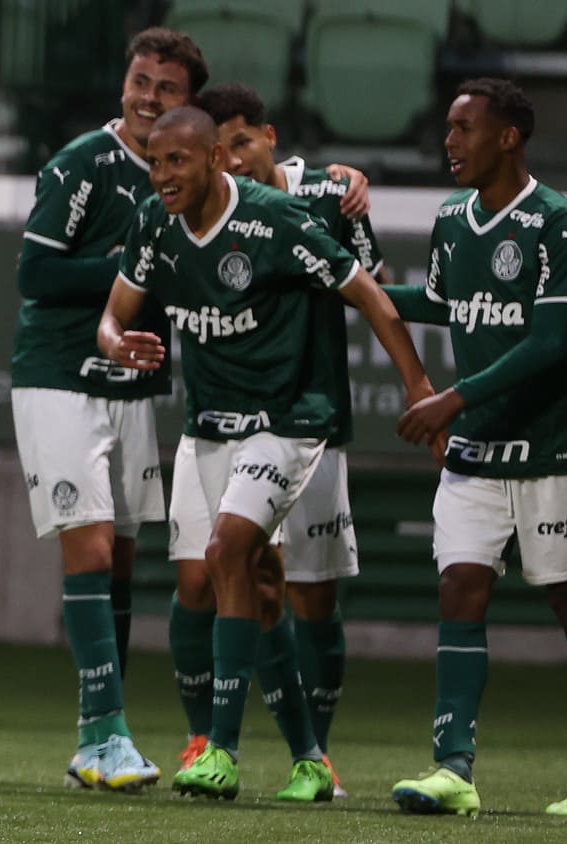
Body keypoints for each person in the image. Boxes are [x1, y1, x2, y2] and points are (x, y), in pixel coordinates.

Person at [97, 106, 435, 802]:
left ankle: (220, 751)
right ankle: (310, 759)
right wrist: (113, 343)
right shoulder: (154, 224)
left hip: (287, 420)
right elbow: (113, 313)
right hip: (209, 424)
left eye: (177, 162)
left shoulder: (273, 220)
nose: (162, 176)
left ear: (215, 159)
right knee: (241, 585)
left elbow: (366, 292)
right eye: (156, 164)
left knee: (229, 556)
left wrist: (420, 386)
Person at [387, 78, 567, 819]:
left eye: (464, 129)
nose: (449, 142)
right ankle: (452, 769)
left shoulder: (560, 223)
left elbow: (552, 343)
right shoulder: (452, 218)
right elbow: (439, 302)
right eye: (449, 128)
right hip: (479, 450)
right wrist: (354, 286)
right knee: (460, 586)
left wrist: (449, 399)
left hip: (558, 446)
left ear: (507, 137)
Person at [11, 26, 208, 793]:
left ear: (188, 106)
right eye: (139, 81)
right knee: (89, 548)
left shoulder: (183, 173)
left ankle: (97, 735)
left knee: (122, 558)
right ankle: (107, 734)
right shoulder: (82, 163)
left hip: (131, 382)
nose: (147, 97)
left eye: (165, 88)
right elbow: (35, 274)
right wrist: (138, 270)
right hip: (60, 374)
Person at [191, 82, 394, 798]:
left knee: (313, 595)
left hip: (315, 421)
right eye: (222, 151)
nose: (235, 161)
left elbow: (380, 282)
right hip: (239, 422)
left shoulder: (329, 194)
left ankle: (320, 754)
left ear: (270, 137)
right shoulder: (210, 205)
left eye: (243, 143)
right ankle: (245, 746)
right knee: (247, 573)